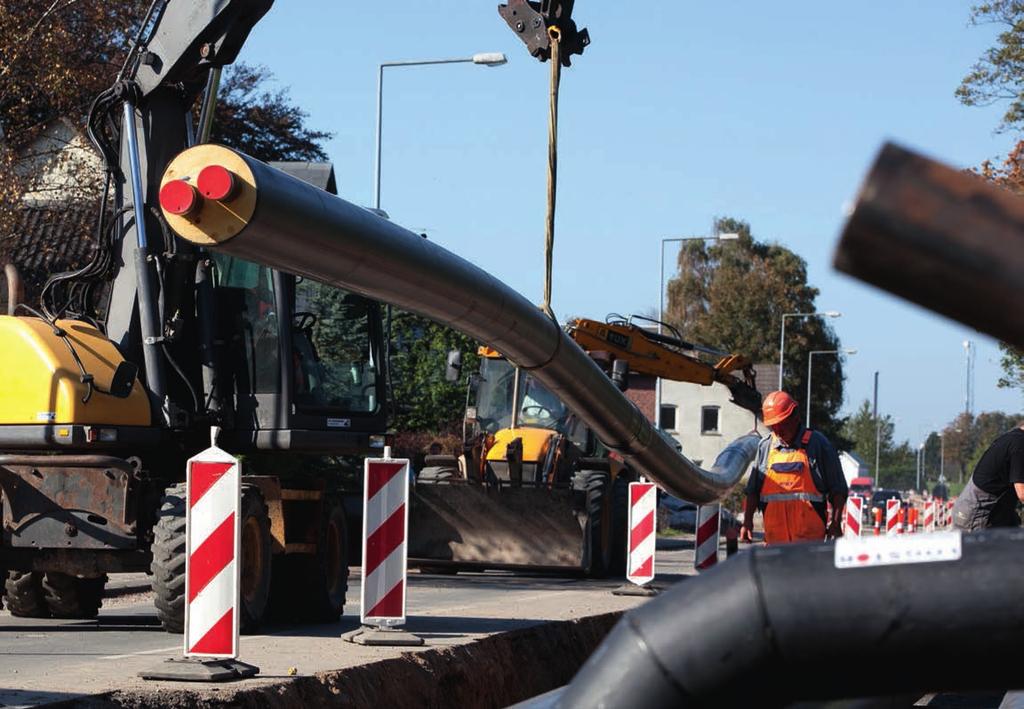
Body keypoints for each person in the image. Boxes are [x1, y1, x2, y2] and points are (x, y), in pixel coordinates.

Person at [739, 390, 848, 545]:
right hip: (774, 544)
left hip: (809, 546)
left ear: (795, 417)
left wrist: (836, 524)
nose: (778, 431)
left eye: (781, 424)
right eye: (773, 426)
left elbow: (838, 489)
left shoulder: (817, 445)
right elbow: (753, 491)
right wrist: (747, 522)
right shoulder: (765, 447)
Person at [951, 423, 1024, 531]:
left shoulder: (1013, 438)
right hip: (977, 514)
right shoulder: (1019, 445)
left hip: (996, 514)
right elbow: (1022, 493)